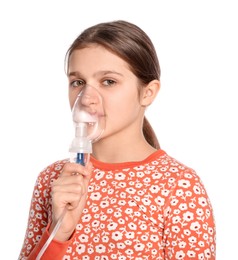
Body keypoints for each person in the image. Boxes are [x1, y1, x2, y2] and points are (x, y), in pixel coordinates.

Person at [19, 20, 216, 259]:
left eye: (108, 81)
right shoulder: (53, 180)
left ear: (147, 92)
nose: (86, 98)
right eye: (78, 82)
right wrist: (58, 234)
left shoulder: (179, 188)